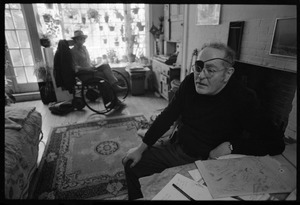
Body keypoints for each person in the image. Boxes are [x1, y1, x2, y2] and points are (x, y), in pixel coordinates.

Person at [122, 42, 285, 200]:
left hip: (208, 162)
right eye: (199, 67)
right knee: (131, 163)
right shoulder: (190, 83)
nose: (201, 75)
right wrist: (141, 148)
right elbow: (167, 115)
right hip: (178, 146)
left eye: (211, 70)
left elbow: (276, 143)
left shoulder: (242, 99)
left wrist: (231, 146)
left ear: (227, 74)